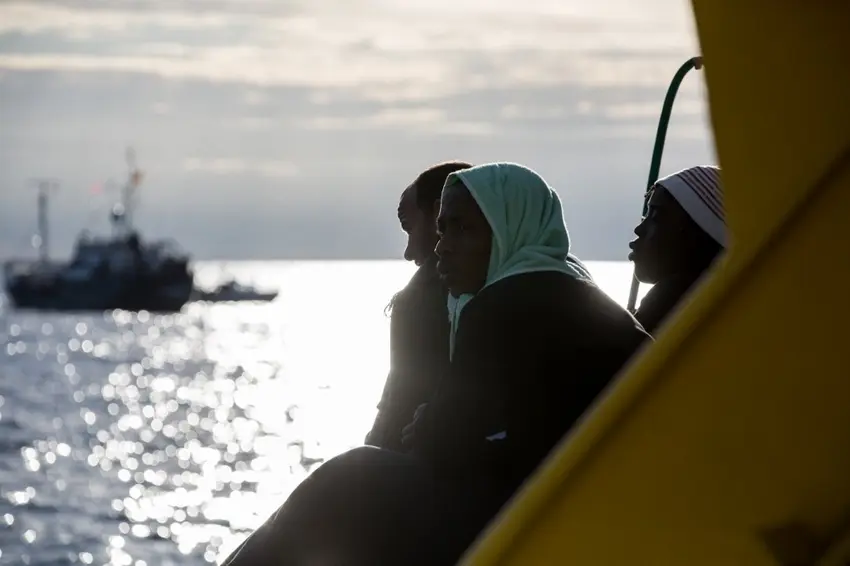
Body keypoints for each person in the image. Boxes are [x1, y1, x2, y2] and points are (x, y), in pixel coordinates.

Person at [221, 163, 649, 566]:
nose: (441, 248)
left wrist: (432, 424)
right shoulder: (571, 288)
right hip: (586, 500)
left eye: (463, 229)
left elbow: (441, 440)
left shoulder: (504, 302)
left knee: (347, 479)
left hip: (547, 512)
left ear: (506, 230)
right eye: (443, 230)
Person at [366, 161, 471, 451]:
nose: (408, 251)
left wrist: (364, 465)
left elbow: (397, 413)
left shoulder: (418, 299)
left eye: (409, 228)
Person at [628, 165, 727, 334]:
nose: (639, 229)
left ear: (695, 236)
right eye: (645, 217)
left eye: (656, 217)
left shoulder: (671, 299)